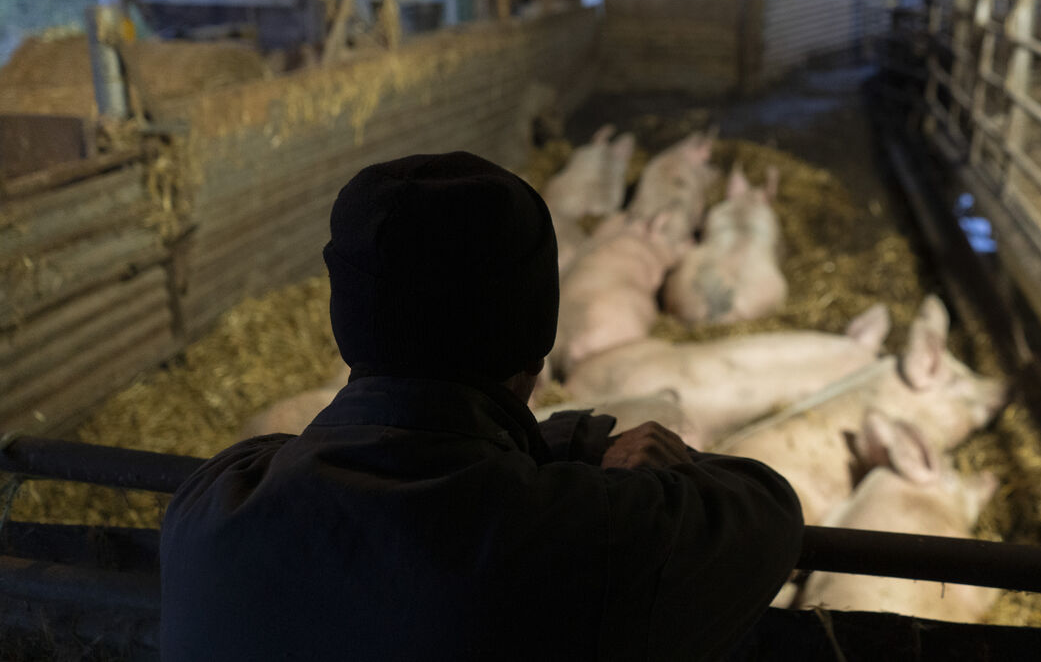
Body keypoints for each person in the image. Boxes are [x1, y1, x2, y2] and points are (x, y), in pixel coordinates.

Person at [159, 151, 805, 661]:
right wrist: (582, 446)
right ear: (536, 347)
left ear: (345, 326)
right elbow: (769, 510)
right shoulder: (582, 537)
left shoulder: (210, 508)